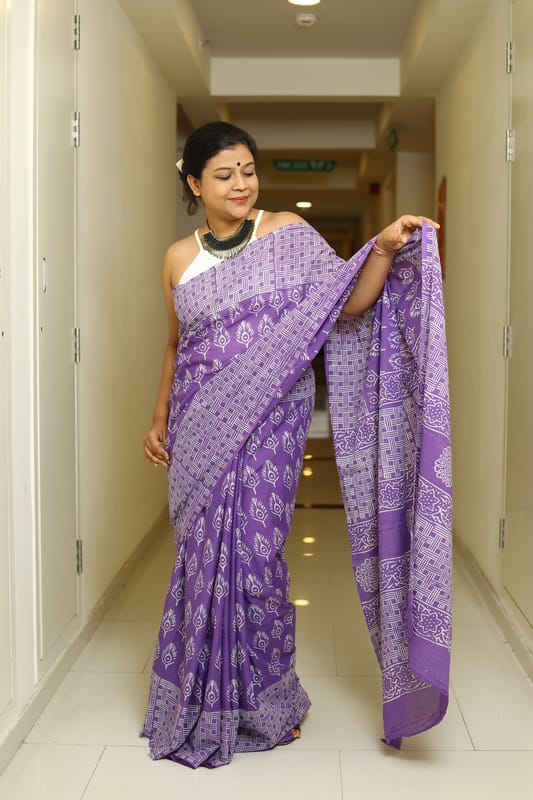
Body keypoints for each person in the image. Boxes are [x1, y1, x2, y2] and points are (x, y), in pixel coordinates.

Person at [142, 121, 452, 768]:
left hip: (271, 425)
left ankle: (267, 704)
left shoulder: (286, 233)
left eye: (248, 170)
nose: (241, 184)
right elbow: (175, 345)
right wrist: (158, 417)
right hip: (198, 431)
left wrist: (383, 247)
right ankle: (197, 702)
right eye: (224, 175)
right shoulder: (176, 259)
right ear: (194, 184)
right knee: (200, 563)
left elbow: (349, 304)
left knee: (256, 562)